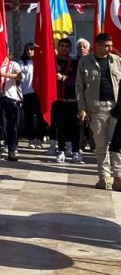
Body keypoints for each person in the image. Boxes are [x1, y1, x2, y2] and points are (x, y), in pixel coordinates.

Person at [76, 33, 121, 189]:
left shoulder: (116, 61)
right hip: (97, 108)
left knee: (117, 144)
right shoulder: (85, 62)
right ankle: (104, 177)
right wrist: (82, 108)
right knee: (101, 145)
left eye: (111, 45)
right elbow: (79, 88)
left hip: (116, 108)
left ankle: (118, 177)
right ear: (98, 45)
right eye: (107, 45)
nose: (111, 48)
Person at [0, 52, 23, 161]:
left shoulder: (13, 64)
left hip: (10, 96)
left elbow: (19, 76)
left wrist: (4, 75)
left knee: (12, 125)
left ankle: (12, 150)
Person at [54, 38, 82, 163]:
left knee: (75, 128)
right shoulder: (52, 62)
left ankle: (75, 152)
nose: (64, 48)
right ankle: (61, 151)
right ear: (58, 47)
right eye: (62, 46)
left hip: (73, 101)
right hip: (59, 101)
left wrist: (63, 78)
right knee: (60, 128)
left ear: (70, 49)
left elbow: (77, 79)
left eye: (67, 46)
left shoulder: (75, 62)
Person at [18, 43, 45, 150]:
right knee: (28, 118)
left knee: (40, 118)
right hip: (27, 93)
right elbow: (19, 79)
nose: (30, 52)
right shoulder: (21, 62)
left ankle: (39, 138)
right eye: (28, 50)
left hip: (39, 93)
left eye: (32, 50)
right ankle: (31, 139)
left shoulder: (39, 61)